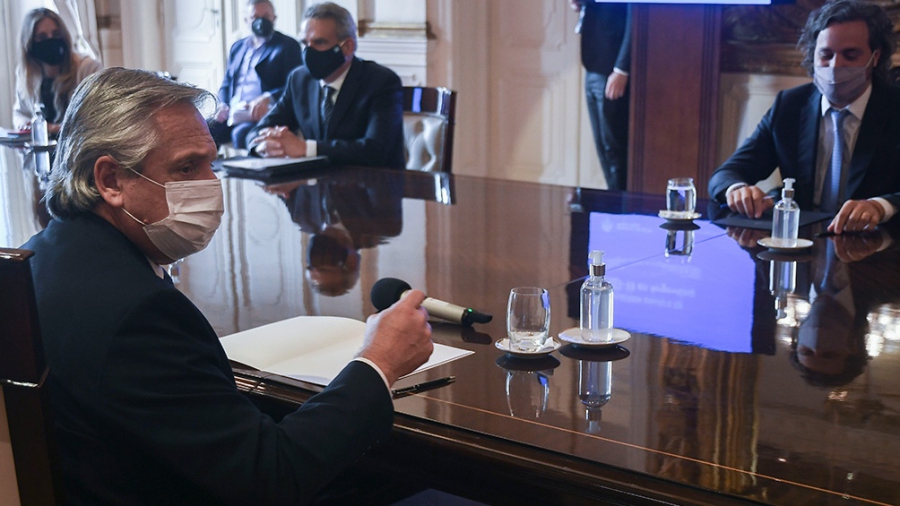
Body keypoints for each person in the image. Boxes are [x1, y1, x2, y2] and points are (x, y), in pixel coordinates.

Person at [22, 67, 433, 504]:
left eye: (211, 164)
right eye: (187, 167)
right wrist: (378, 363)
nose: (211, 184)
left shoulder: (37, 258)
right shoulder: (139, 314)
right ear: (110, 181)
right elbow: (271, 475)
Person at [709, 0, 900, 235]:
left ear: (875, 57)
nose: (835, 66)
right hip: (801, 242)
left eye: (850, 55)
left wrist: (880, 206)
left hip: (876, 244)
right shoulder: (790, 105)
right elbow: (727, 174)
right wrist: (737, 190)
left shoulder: (895, 107)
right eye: (826, 55)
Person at [248, 2, 406, 169]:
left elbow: (375, 151)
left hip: (373, 182)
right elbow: (258, 131)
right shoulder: (300, 79)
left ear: (348, 47)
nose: (308, 52)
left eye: (319, 42)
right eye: (305, 43)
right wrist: (264, 145)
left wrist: (306, 148)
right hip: (316, 182)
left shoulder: (381, 82)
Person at [209, 0, 302, 149]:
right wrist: (222, 104)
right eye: (255, 17)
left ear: (274, 18)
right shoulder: (238, 47)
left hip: (263, 114)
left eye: (266, 16)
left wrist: (268, 97)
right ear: (246, 20)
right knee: (203, 129)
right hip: (233, 112)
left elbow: (296, 85)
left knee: (240, 134)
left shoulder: (287, 46)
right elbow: (226, 83)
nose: (261, 21)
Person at [571, 0, 632, 191]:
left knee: (615, 150)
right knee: (603, 149)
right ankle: (613, 198)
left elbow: (635, 19)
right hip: (592, 64)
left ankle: (621, 203)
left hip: (612, 69)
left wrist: (622, 68)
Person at [13, 8, 102, 133]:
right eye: (42, 37)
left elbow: (97, 118)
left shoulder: (88, 68)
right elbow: (20, 114)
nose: (50, 40)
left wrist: (51, 129)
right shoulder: (26, 73)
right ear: (30, 44)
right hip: (40, 143)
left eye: (56, 35)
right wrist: (25, 125)